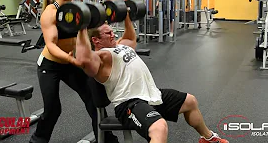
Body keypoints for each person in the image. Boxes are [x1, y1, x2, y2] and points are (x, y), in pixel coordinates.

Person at [70, 13, 229, 143]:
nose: (113, 34)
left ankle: (208, 138)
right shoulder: (100, 57)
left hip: (150, 95)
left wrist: (125, 15)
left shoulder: (120, 46)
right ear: (96, 40)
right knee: (159, 127)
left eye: (112, 31)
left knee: (190, 101)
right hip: (129, 103)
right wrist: (82, 27)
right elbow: (84, 59)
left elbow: (131, 37)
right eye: (108, 33)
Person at [29, 0, 119, 143]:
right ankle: (37, 141)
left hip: (71, 63)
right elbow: (51, 45)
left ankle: (107, 139)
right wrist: (71, 59)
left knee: (94, 101)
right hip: (50, 65)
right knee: (53, 109)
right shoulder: (50, 12)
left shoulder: (76, 9)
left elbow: (91, 30)